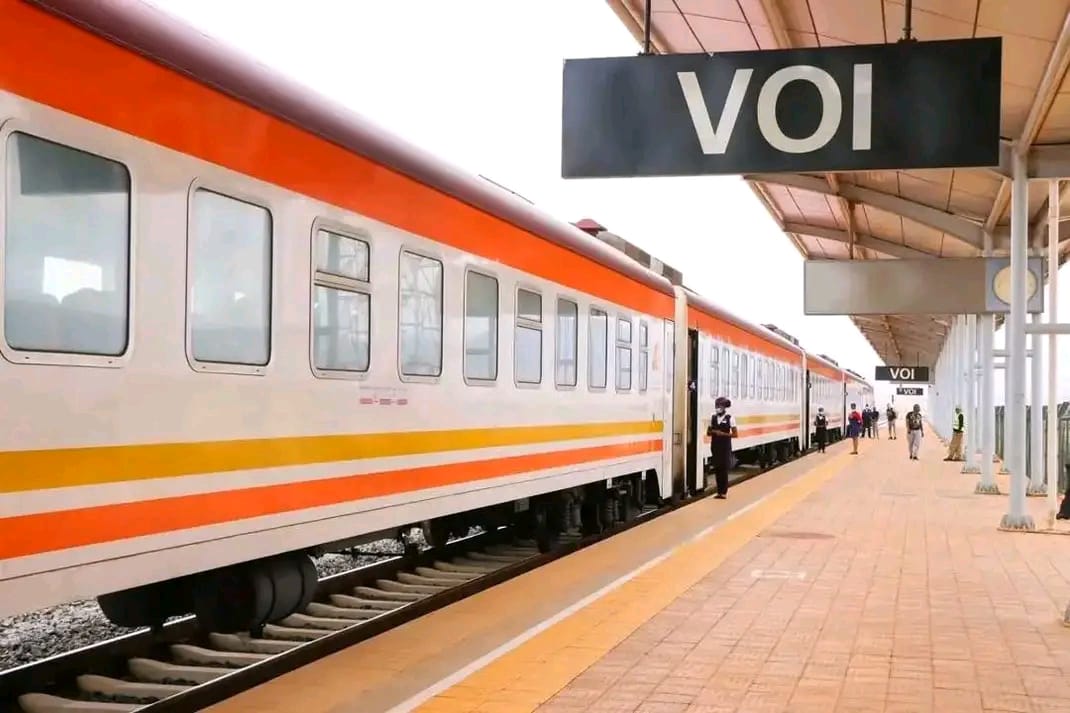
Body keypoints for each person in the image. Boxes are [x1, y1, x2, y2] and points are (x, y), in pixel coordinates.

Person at [707, 396, 737, 499]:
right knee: (717, 469)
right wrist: (714, 432)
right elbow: (708, 432)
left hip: (725, 447)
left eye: (720, 406)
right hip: (715, 447)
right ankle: (719, 491)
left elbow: (735, 434)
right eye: (717, 406)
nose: (718, 408)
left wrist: (723, 434)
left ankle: (723, 492)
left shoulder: (730, 418)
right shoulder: (713, 418)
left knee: (723, 470)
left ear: (724, 407)